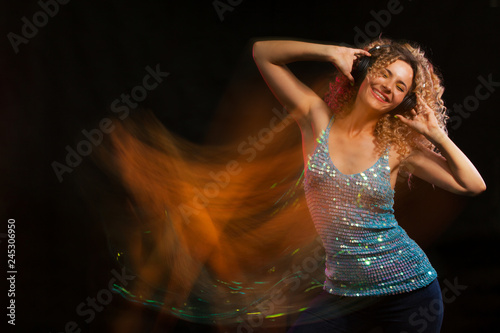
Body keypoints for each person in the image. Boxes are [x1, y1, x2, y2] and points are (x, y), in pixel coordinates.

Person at [252, 38, 486, 332]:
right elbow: (263, 53)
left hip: (408, 295)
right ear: (363, 69)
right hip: (342, 294)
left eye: (401, 87)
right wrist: (331, 52)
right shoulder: (316, 118)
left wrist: (438, 137)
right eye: (385, 73)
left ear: (405, 102)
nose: (389, 86)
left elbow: (473, 185)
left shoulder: (399, 148)